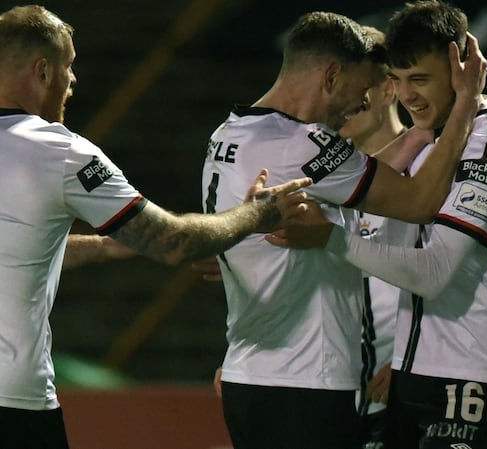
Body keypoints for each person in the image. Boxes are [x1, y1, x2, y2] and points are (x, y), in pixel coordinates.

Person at [0, 5, 310, 449]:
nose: (73, 81)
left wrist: (110, 246)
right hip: (13, 402)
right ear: (43, 71)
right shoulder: (59, 152)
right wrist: (260, 214)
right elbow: (172, 242)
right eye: (69, 66)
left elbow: (16, 247)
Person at [200, 10, 487, 449]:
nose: (365, 103)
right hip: (304, 385)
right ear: (332, 75)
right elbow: (419, 201)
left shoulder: (231, 131)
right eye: (362, 87)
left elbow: (361, 183)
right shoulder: (302, 144)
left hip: (247, 374)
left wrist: (422, 132)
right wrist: (466, 105)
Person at [268, 2, 487, 448]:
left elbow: (430, 274)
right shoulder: (426, 142)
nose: (409, 95)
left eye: (421, 80)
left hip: (468, 375)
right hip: (412, 375)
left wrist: (328, 237)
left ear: (461, 69)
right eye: (399, 80)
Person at [337, 26, 413, 449]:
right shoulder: (326, 172)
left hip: (397, 388)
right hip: (335, 388)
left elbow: (452, 272)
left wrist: (409, 359)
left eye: (360, 88)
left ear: (388, 90)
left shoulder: (429, 170)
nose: (348, 103)